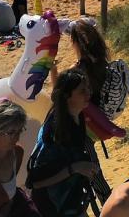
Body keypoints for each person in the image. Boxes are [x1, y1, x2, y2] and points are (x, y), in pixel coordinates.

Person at [27, 69, 101, 217]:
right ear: (67, 97)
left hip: (70, 202)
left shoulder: (77, 118)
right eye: (82, 91)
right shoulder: (56, 131)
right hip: (51, 206)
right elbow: (35, 182)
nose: (88, 94)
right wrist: (75, 168)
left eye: (88, 89)